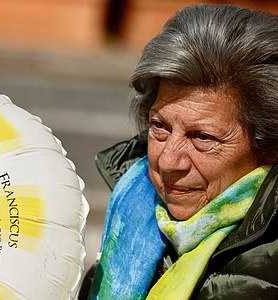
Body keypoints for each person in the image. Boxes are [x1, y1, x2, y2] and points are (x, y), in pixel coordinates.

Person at [81, 4, 278, 299]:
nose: (169, 161)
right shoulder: (130, 213)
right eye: (159, 126)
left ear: (269, 148)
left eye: (203, 137)